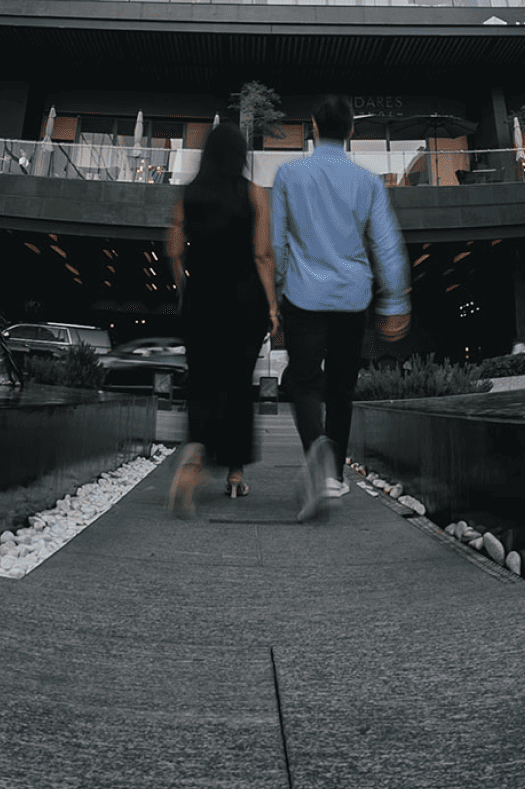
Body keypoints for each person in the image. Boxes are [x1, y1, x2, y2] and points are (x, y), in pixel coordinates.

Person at [271, 95, 410, 520]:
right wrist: (396, 299)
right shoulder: (367, 181)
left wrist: (276, 287)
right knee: (341, 389)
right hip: (353, 298)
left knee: (304, 382)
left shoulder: (289, 174)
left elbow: (277, 241)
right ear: (351, 131)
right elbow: (386, 243)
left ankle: (317, 457)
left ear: (313, 126)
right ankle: (332, 475)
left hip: (303, 296)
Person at [165, 122, 278, 513]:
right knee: (237, 384)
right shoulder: (254, 195)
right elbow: (263, 255)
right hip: (244, 302)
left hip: (202, 301)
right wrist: (273, 306)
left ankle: (195, 452)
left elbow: (174, 246)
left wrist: (184, 287)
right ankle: (234, 475)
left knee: (203, 381)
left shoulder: (190, 194)